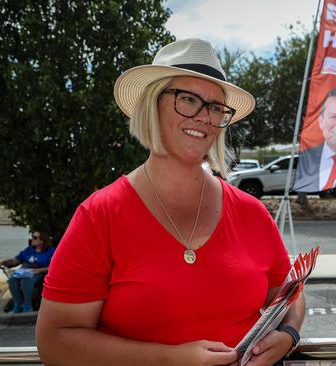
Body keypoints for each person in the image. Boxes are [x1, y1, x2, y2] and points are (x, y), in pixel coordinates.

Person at [36, 38, 305, 366]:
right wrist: (170, 358)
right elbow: (55, 341)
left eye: (216, 107)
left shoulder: (251, 212)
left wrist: (289, 334)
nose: (204, 117)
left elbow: (290, 293)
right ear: (152, 103)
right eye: (188, 99)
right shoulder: (100, 216)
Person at [0, 230, 55, 313]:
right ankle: (18, 305)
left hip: (39, 273)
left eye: (35, 238)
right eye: (32, 237)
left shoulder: (50, 251)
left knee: (26, 281)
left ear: (42, 241)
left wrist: (39, 270)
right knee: (12, 280)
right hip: (25, 272)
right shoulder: (29, 250)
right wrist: (2, 262)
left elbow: (53, 267)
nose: (32, 239)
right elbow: (15, 260)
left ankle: (27, 306)